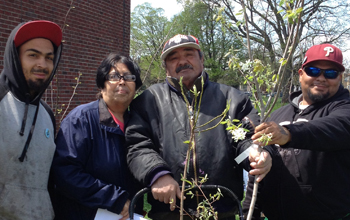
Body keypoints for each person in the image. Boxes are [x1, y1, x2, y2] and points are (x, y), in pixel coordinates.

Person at [125, 34, 272, 220]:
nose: (182, 61)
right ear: (166, 67)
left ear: (201, 59)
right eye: (173, 58)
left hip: (221, 209)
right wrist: (157, 174)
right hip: (167, 211)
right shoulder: (148, 101)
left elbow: (244, 142)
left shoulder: (233, 99)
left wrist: (256, 155)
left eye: (189, 54)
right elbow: (137, 146)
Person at [243, 44, 350, 220]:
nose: (321, 78)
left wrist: (288, 134)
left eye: (330, 73)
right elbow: (256, 164)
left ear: (340, 78)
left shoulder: (344, 109)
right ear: (301, 75)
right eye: (313, 71)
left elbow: (335, 127)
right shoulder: (278, 114)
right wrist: (250, 212)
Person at [51, 53, 142, 220]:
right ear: (102, 84)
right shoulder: (81, 119)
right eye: (114, 76)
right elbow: (65, 172)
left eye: (129, 77)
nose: (122, 81)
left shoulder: (139, 122)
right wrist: (115, 199)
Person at [0, 20, 62, 219]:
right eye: (33, 55)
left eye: (49, 57)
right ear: (15, 57)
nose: (42, 64)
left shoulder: (46, 115)